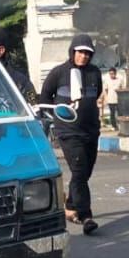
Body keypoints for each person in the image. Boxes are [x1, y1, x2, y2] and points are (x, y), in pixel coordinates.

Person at [39, 33, 103, 235]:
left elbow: (97, 93)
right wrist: (55, 117)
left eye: (87, 53)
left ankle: (70, 204)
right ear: (72, 51)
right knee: (79, 169)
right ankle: (86, 216)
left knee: (84, 172)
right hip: (68, 131)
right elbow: (45, 96)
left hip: (90, 130)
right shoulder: (59, 73)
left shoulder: (94, 73)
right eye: (80, 52)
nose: (83, 56)